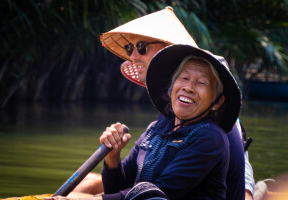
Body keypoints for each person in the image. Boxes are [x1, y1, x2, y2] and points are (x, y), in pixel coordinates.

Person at [72, 6, 254, 199]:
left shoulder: (210, 131)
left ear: (169, 50)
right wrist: (112, 156)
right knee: (87, 183)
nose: (133, 56)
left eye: (141, 47)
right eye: (129, 48)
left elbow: (158, 192)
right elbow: (122, 186)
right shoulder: (161, 126)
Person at [95, 44, 240, 199]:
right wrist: (112, 156)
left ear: (217, 102)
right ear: (172, 86)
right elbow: (116, 189)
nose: (188, 87)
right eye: (184, 78)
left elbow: (155, 195)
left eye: (201, 83)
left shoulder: (210, 136)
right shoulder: (155, 130)